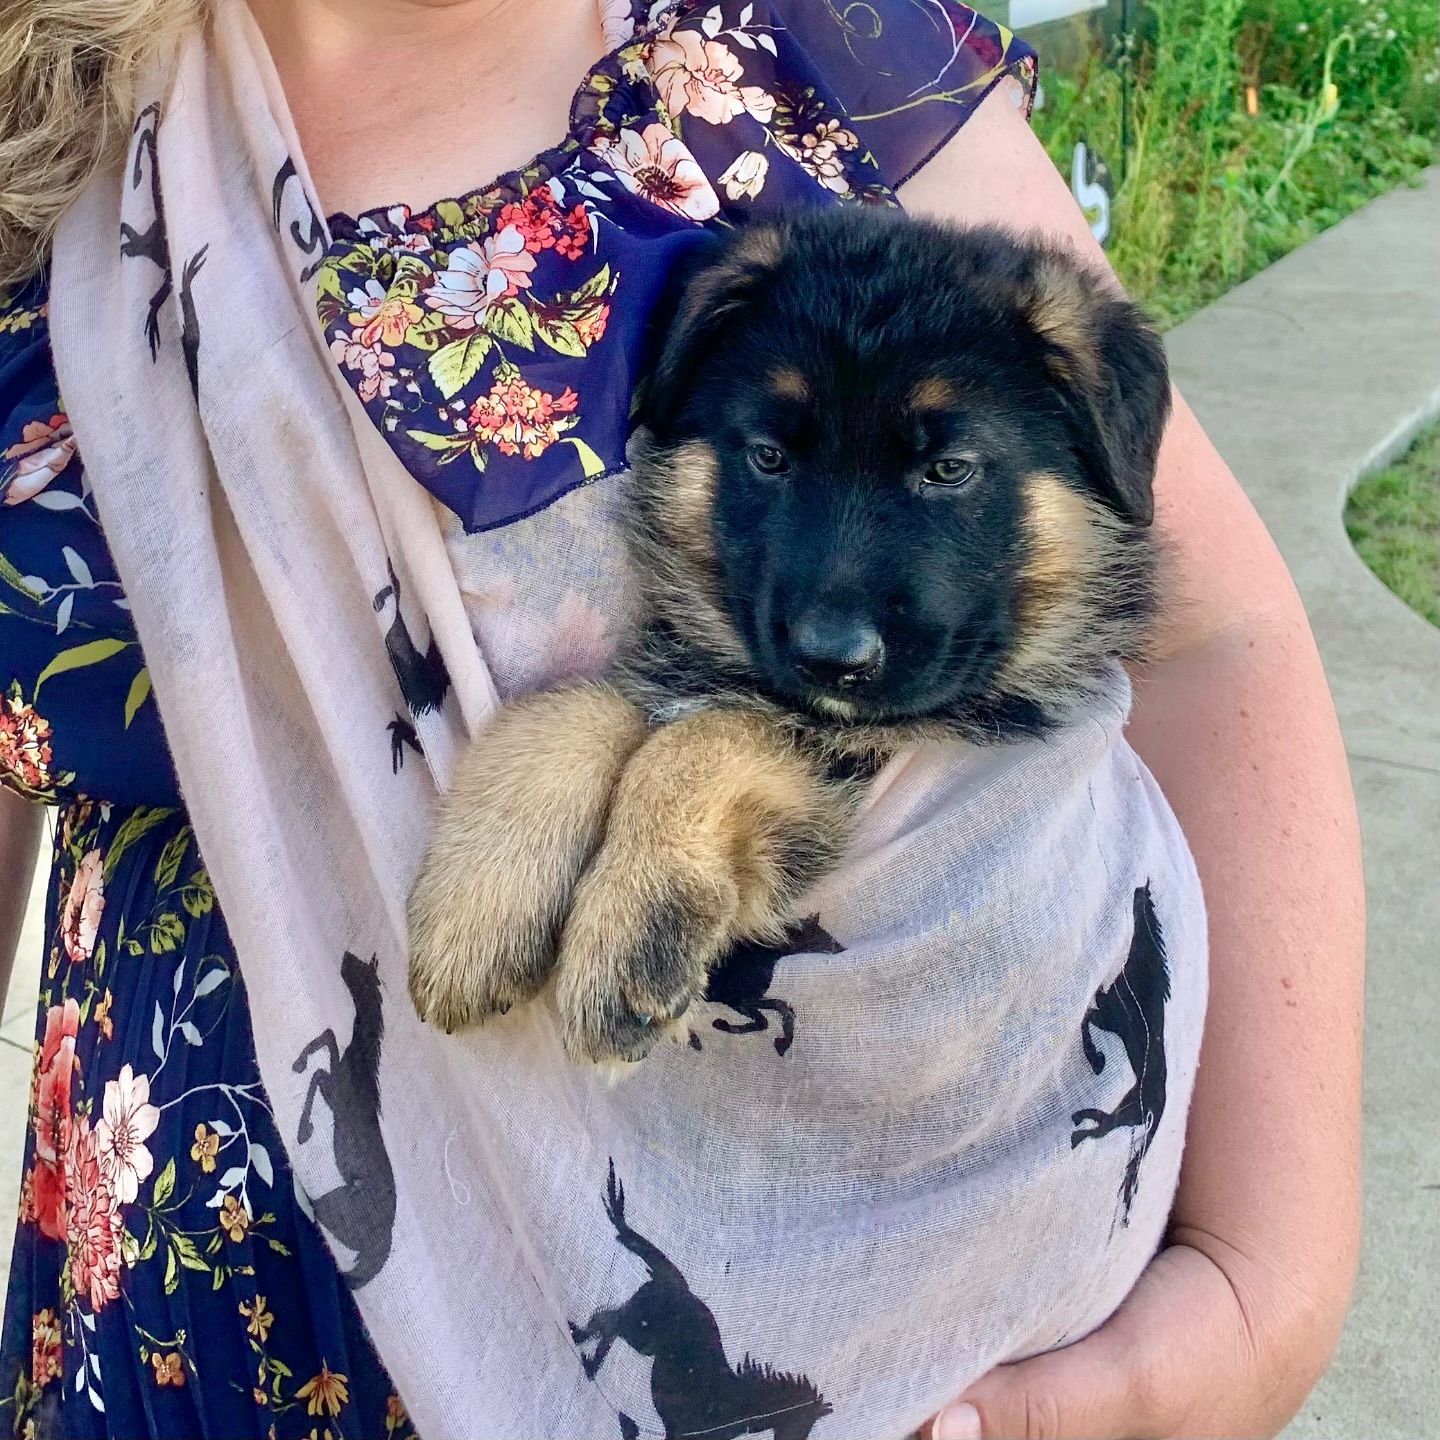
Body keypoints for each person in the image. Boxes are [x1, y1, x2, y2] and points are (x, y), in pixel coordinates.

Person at [0, 1, 1363, 1436]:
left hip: (854, 1287)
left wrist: (1261, 1289)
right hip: (192, 1314)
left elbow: (1209, 639)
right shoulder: (39, 116)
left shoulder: (811, 33)